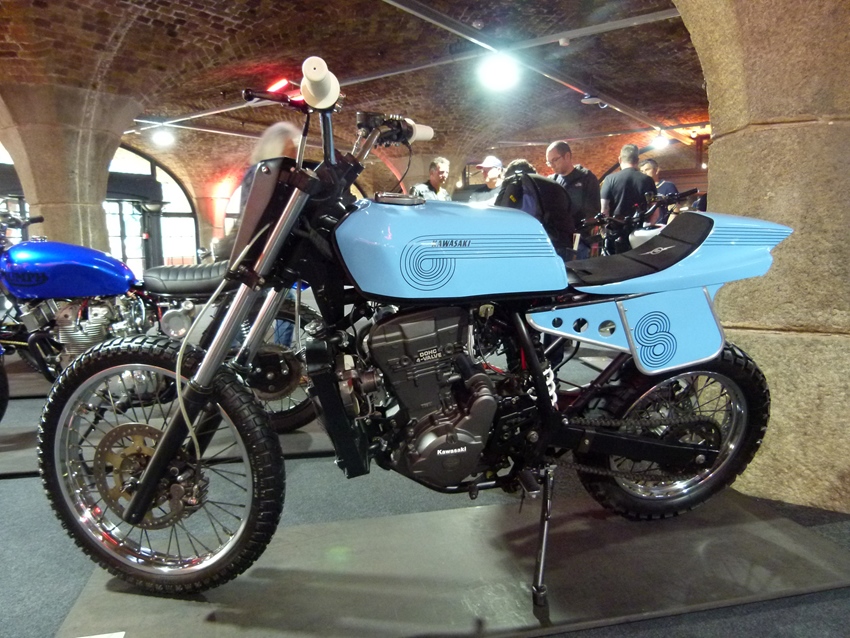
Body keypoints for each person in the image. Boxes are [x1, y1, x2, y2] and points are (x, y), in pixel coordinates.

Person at [495, 159, 575, 259]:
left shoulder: (516, 182)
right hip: (564, 245)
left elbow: (501, 216)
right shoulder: (553, 184)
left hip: (536, 247)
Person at [545, 140, 600, 259]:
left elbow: (592, 211)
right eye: (549, 162)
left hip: (580, 241)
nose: (552, 165)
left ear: (567, 156)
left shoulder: (586, 178)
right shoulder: (552, 181)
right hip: (558, 240)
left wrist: (582, 234)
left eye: (555, 160)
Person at [600, 144, 657, 254]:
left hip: (615, 233)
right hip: (639, 232)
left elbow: (604, 209)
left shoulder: (609, 179)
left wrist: (605, 232)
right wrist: (646, 228)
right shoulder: (647, 180)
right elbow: (654, 209)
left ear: (620, 159)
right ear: (637, 160)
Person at [639, 158, 678, 224]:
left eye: (647, 170)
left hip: (662, 226)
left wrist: (667, 228)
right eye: (642, 171)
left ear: (656, 170)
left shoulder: (668, 186)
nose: (644, 173)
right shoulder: (642, 189)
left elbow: (674, 210)